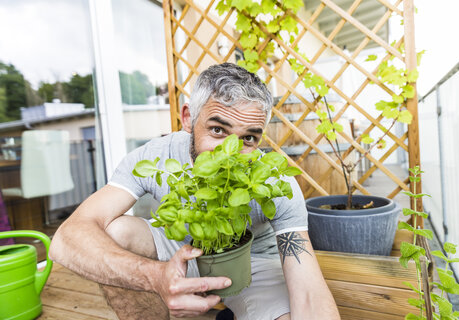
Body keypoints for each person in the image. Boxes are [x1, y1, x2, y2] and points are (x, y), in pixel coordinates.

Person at [50, 63, 340, 320]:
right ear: (188, 117)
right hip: (180, 252)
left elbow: (309, 291)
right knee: (116, 233)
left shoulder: (274, 180)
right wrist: (155, 277)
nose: (231, 153)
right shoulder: (157, 157)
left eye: (249, 137)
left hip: (253, 264)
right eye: (217, 130)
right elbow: (65, 240)